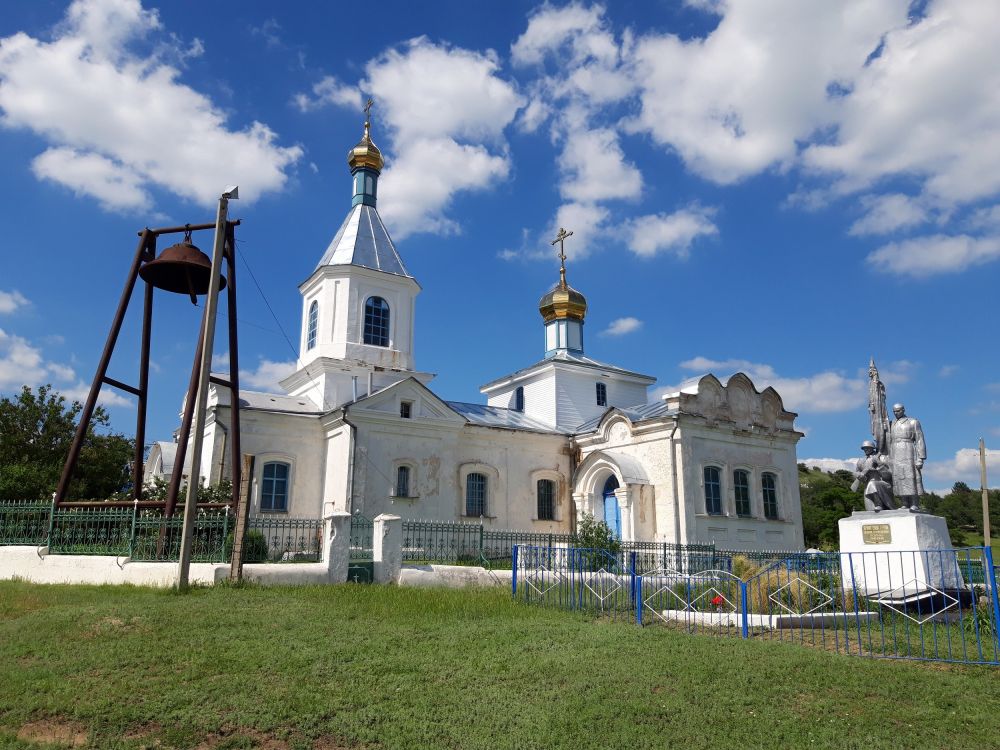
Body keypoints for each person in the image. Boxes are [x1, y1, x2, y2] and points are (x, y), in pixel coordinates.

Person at [888, 403, 925, 510]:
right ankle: (904, 502)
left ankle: (914, 503)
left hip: (908, 449)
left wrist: (920, 458)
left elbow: (919, 440)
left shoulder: (913, 422)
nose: (896, 413)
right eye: (894, 411)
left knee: (910, 476)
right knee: (899, 477)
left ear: (903, 410)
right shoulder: (891, 423)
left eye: (898, 410)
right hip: (895, 451)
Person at [851, 440, 895, 511]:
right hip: (867, 485)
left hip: (883, 484)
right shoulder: (861, 461)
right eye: (864, 448)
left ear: (872, 448)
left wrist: (878, 464)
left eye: (868, 448)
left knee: (872, 484)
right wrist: (860, 475)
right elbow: (856, 473)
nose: (866, 449)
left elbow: (889, 475)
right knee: (870, 511)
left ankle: (879, 504)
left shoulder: (881, 458)